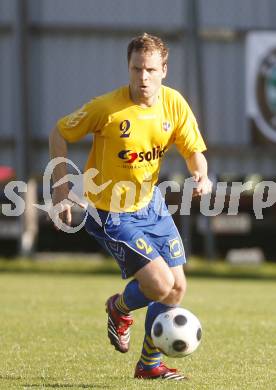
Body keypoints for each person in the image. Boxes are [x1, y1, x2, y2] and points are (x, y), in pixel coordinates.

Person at [49, 33, 212, 380]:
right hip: (111, 211)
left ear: (164, 70)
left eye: (150, 70)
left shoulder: (174, 104)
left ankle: (149, 365)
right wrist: (61, 189)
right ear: (129, 67)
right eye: (136, 69)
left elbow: (193, 151)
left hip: (151, 206)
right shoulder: (107, 108)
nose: (142, 78)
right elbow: (59, 133)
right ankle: (119, 308)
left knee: (177, 287)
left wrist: (201, 176)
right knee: (159, 284)